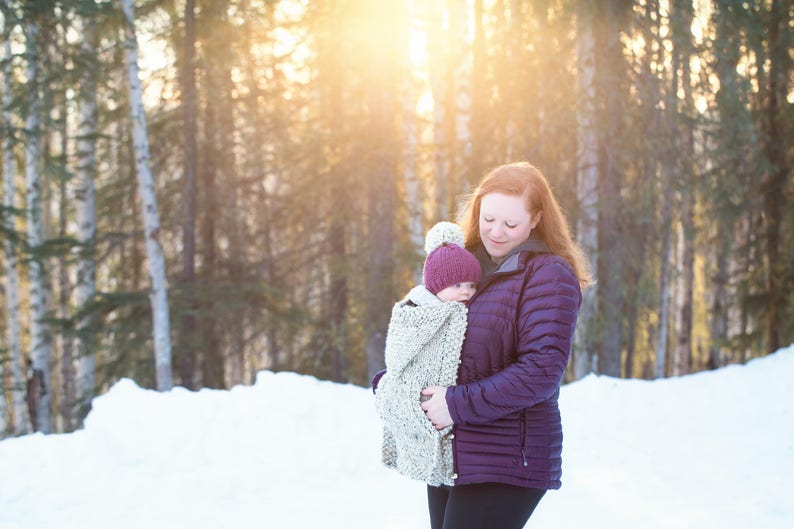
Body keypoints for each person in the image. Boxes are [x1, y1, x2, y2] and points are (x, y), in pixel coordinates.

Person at [419, 162, 592, 529]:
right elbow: (437, 340)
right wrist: (399, 379)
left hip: (509, 456)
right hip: (454, 451)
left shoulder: (549, 275)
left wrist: (455, 404)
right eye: (488, 218)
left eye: (510, 224)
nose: (496, 232)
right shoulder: (465, 270)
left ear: (536, 220)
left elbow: (541, 371)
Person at [374, 221, 481, 487]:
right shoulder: (418, 315)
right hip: (426, 404)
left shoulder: (462, 312)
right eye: (457, 284)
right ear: (436, 286)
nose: (466, 291)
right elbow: (401, 357)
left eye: (471, 284)